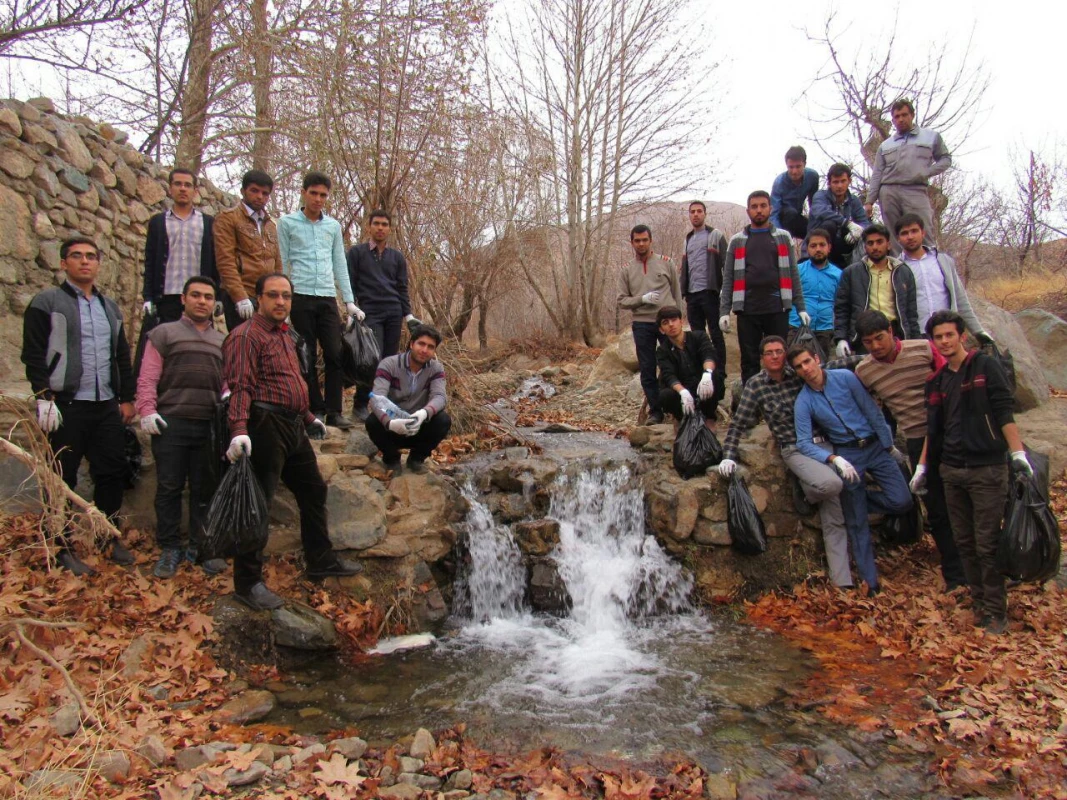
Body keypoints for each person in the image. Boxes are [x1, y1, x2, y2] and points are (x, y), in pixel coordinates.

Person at [223, 273, 361, 610]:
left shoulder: (286, 334)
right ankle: (248, 583)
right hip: (262, 424)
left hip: (292, 424)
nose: (281, 302)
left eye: (286, 296)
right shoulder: (245, 337)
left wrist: (309, 416)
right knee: (258, 504)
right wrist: (239, 429)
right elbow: (240, 386)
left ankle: (320, 559)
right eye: (273, 295)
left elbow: (291, 381)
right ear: (259, 298)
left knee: (313, 489)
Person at [912, 310, 1033, 634]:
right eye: (938, 337)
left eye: (949, 335)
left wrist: (1017, 453)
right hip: (952, 470)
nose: (945, 341)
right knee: (964, 542)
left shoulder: (984, 367)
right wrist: (923, 466)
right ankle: (980, 602)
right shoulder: (936, 381)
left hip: (987, 469)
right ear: (933, 342)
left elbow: (1004, 411)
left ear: (961, 335)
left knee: (986, 542)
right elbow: (932, 429)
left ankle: (996, 610)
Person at [21, 237, 136, 574]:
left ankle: (106, 536)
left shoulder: (110, 308)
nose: (85, 262)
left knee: (112, 472)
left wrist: (126, 397)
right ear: (63, 263)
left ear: (99, 263)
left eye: (91, 256)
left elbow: (121, 356)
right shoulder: (47, 302)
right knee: (61, 477)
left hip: (105, 406)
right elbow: (32, 354)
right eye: (77, 256)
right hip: (65, 405)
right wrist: (43, 397)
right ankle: (59, 545)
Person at [718, 336, 860, 588]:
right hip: (794, 449)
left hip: (823, 444)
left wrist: (874, 356)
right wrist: (728, 455)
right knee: (833, 485)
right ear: (762, 357)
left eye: (779, 351)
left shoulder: (798, 374)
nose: (775, 356)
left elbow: (838, 364)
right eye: (769, 352)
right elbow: (738, 425)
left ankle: (843, 581)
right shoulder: (756, 386)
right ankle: (807, 491)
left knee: (834, 517)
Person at [853, 310, 965, 590]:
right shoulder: (865, 371)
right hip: (916, 440)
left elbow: (952, 379)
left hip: (953, 434)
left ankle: (988, 564)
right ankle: (955, 575)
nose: (876, 346)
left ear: (891, 331)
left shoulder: (924, 349)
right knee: (937, 509)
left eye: (880, 338)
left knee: (967, 501)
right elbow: (868, 407)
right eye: (868, 342)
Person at [790, 341, 913, 594]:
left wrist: (889, 445)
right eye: (799, 367)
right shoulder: (804, 401)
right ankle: (871, 582)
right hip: (847, 452)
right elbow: (802, 442)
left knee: (902, 501)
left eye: (807, 361)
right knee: (857, 523)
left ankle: (857, 501)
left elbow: (871, 411)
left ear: (817, 358)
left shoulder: (845, 378)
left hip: (875, 446)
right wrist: (833, 459)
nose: (806, 368)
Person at [136, 276, 228, 579]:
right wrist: (146, 410)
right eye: (196, 295)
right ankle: (169, 547)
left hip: (209, 425)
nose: (202, 301)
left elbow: (227, 381)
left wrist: (229, 397)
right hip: (170, 422)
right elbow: (148, 376)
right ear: (184, 299)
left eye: (208, 297)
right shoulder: (163, 333)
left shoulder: (222, 341)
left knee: (205, 489)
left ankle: (200, 546)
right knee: (169, 488)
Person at [278, 172, 360, 430]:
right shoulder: (287, 223)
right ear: (304, 193)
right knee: (307, 354)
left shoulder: (332, 226)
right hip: (300, 295)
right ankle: (315, 409)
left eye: (323, 195)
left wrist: (348, 302)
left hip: (326, 297)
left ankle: (335, 410)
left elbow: (339, 264)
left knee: (335, 353)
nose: (318, 199)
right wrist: (283, 301)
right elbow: (282, 262)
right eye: (313, 193)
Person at [719, 191, 809, 384]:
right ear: (748, 210)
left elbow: (793, 274)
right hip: (747, 309)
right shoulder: (737, 241)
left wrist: (800, 307)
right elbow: (728, 278)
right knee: (749, 359)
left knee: (779, 357)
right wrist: (724, 311)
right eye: (754, 207)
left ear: (770, 208)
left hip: (776, 307)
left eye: (762, 206)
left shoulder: (783, 237)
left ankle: (780, 397)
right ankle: (752, 401)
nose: (759, 210)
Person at [346, 209, 420, 420]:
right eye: (376, 223)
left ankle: (384, 404)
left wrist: (409, 316)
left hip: (393, 312)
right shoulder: (357, 253)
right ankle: (360, 404)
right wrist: (350, 309)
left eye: (384, 224)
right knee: (371, 360)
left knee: (390, 361)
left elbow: (402, 287)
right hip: (368, 313)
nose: (380, 228)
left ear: (390, 228)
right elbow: (350, 283)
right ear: (369, 226)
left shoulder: (396, 256)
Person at [364, 324, 451, 475]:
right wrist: (389, 422)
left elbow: (440, 396)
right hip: (392, 427)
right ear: (411, 344)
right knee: (372, 421)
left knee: (443, 420)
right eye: (421, 344)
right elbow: (377, 398)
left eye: (430, 347)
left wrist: (425, 413)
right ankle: (391, 458)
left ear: (434, 351)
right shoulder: (389, 364)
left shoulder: (436, 369)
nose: (424, 350)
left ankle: (416, 459)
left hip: (418, 426)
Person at [865, 99, 952, 248]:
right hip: (889, 193)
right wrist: (869, 201)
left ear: (912, 115)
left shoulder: (931, 137)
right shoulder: (885, 145)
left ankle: (928, 267)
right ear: (893, 120)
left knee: (923, 233)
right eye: (896, 116)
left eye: (904, 115)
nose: (901, 119)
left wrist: (927, 172)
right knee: (894, 237)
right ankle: (900, 269)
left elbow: (946, 159)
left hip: (915, 190)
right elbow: (877, 174)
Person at [617, 224, 682, 424]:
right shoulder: (627, 270)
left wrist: (678, 319)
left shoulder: (666, 262)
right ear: (632, 243)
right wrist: (642, 299)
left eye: (645, 240)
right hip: (642, 323)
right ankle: (656, 412)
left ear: (650, 240)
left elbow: (676, 292)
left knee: (673, 363)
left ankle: (676, 406)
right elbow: (621, 301)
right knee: (647, 368)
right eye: (637, 240)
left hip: (666, 322)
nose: (641, 244)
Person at [895, 213, 990, 340]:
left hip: (947, 333)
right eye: (905, 233)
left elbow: (960, 299)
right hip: (917, 335)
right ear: (898, 238)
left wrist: (979, 332)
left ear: (923, 233)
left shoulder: (943, 261)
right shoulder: (896, 268)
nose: (910, 237)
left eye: (914, 231)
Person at [142, 168, 218, 324]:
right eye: (178, 184)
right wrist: (148, 297)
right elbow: (150, 262)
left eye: (187, 185)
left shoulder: (208, 223)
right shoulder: (158, 222)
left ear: (195, 191)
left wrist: (218, 297)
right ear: (170, 188)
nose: (183, 188)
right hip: (166, 299)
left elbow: (215, 262)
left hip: (199, 298)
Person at [833, 223, 919, 356]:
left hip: (896, 335)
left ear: (888, 244)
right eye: (870, 243)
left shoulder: (903, 272)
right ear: (865, 246)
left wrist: (914, 342)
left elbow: (911, 313)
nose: (875, 247)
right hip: (864, 337)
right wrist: (841, 339)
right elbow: (842, 309)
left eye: (879, 242)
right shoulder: (851, 273)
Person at [214, 169, 281, 332]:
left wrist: (281, 295)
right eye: (254, 191)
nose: (260, 196)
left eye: (265, 193)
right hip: (243, 294)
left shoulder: (271, 225)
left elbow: (277, 262)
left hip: (267, 297)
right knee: (244, 347)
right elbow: (226, 262)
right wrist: (240, 297)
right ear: (243, 191)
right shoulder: (228, 219)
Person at [680, 201, 728, 373]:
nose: (695, 214)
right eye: (692, 211)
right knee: (697, 335)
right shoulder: (687, 239)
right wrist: (682, 290)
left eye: (699, 211)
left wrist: (725, 289)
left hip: (711, 292)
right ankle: (702, 370)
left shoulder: (715, 235)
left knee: (715, 333)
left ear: (705, 214)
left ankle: (720, 371)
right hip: (692, 295)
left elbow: (727, 264)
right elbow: (685, 268)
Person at [654, 306, 721, 425]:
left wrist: (707, 374)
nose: (671, 325)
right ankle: (681, 419)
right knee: (665, 395)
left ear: (681, 321)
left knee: (715, 376)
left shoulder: (699, 336)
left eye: (674, 320)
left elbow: (709, 355)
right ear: (661, 329)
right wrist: (683, 392)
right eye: (665, 323)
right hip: (683, 390)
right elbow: (669, 375)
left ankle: (710, 417)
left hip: (702, 386)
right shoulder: (662, 350)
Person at [787, 228, 841, 357]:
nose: (818, 249)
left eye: (822, 245)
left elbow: (840, 304)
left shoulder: (838, 274)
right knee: (794, 366)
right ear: (808, 248)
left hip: (824, 330)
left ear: (829, 247)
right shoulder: (797, 271)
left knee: (820, 368)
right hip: (797, 327)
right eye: (813, 245)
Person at [808, 163, 871, 268]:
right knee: (830, 224)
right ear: (829, 183)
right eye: (835, 182)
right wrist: (847, 223)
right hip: (819, 243)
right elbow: (821, 212)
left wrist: (859, 231)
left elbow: (864, 222)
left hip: (843, 244)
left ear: (849, 181)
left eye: (843, 181)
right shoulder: (820, 196)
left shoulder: (854, 200)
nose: (839, 186)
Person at [770, 145, 820, 240]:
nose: (794, 171)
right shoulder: (779, 182)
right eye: (791, 167)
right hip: (783, 217)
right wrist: (779, 236)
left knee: (819, 230)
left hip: (798, 216)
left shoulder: (812, 176)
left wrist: (815, 225)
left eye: (798, 167)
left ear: (804, 164)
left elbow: (813, 204)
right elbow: (773, 213)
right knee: (790, 214)